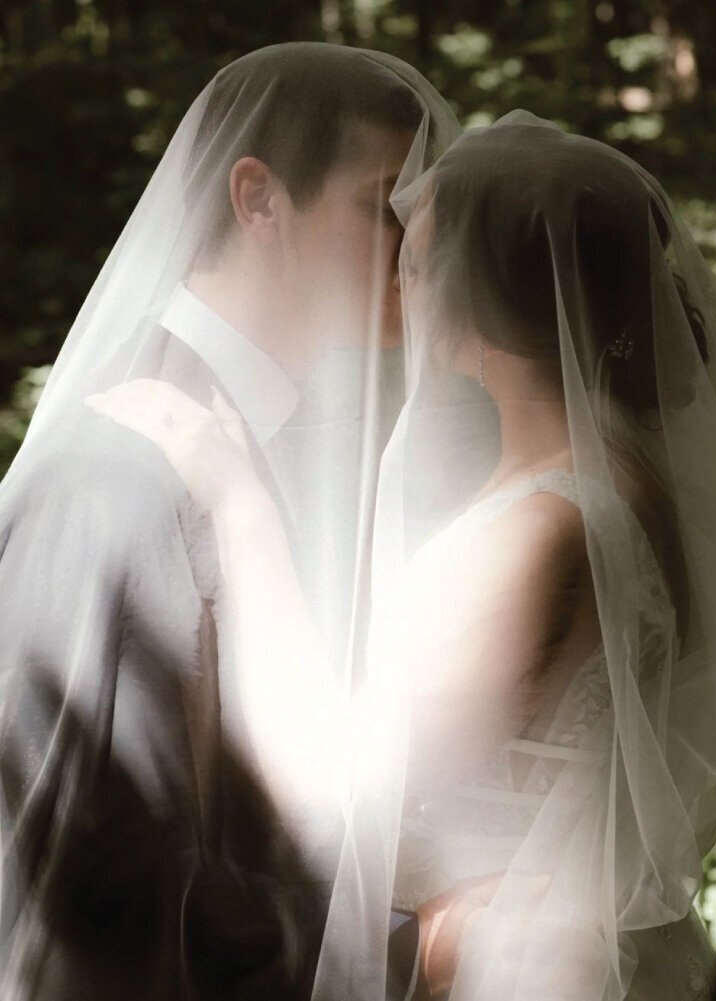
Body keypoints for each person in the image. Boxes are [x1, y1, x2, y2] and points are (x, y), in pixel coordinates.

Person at [87, 113, 716, 1001]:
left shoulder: (542, 528)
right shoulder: (630, 484)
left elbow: (337, 787)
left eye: (416, 264)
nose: (398, 283)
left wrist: (241, 506)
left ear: (476, 337)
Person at [0, 43, 459, 1000]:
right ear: (258, 202)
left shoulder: (275, 446)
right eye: (384, 206)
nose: (420, 248)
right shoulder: (118, 470)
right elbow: (92, 883)